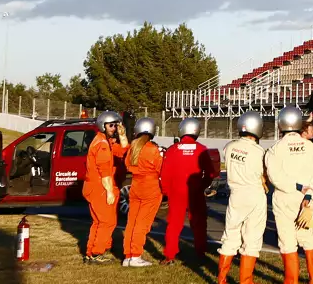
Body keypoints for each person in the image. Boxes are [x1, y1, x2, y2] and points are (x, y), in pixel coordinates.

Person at [265, 105, 313, 284]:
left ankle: (291, 282)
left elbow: (274, 176)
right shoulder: (311, 147)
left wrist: (296, 187)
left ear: (281, 125)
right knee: (308, 238)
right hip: (307, 199)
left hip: (285, 198)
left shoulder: (275, 149)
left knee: (287, 239)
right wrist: (309, 194)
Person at [217, 110, 267, 284]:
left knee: (230, 236)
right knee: (252, 239)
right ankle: (245, 282)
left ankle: (221, 281)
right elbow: (264, 173)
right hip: (254, 194)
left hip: (235, 194)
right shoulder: (259, 151)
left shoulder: (229, 147)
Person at [160, 117, 219, 264]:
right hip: (195, 191)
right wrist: (202, 185)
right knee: (198, 223)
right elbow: (211, 173)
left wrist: (166, 191)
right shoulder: (201, 149)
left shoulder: (172, 150)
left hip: (176, 191)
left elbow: (164, 173)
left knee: (174, 223)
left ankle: (170, 255)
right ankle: (200, 251)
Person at [82, 110, 128, 263]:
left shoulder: (105, 141)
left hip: (95, 187)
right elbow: (105, 173)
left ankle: (91, 252)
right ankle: (96, 253)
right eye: (111, 125)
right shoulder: (102, 144)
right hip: (100, 187)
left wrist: (122, 135)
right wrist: (109, 192)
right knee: (107, 222)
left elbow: (123, 152)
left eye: (116, 125)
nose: (114, 128)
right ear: (103, 125)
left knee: (98, 222)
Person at [122, 117, 163, 267]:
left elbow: (127, 165)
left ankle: (128, 255)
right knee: (143, 223)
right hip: (150, 186)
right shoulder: (153, 149)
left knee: (132, 221)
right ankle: (136, 255)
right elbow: (161, 168)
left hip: (136, 184)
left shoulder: (133, 147)